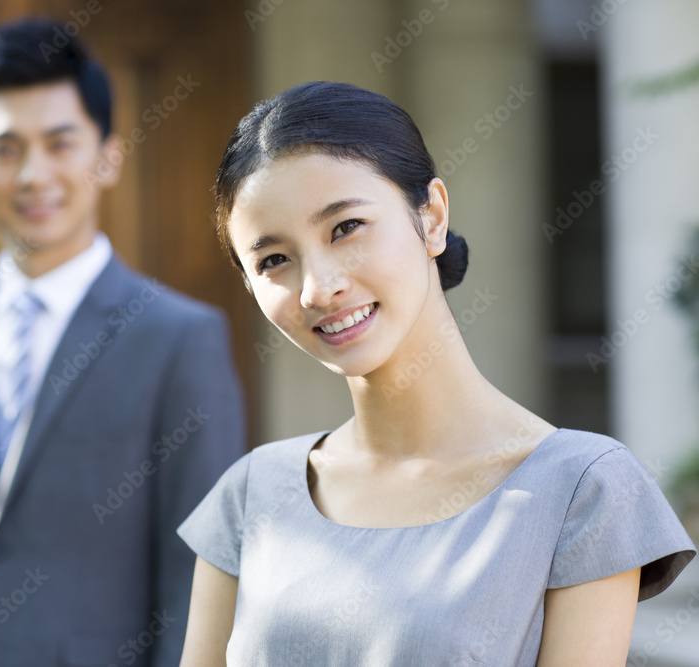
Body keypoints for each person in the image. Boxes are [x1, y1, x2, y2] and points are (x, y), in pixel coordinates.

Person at [177, 81, 696, 666]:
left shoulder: (582, 489)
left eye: (345, 227)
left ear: (432, 217)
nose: (319, 289)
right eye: (274, 260)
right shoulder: (251, 494)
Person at [0, 17, 246, 667]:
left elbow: (199, 578)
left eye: (60, 143)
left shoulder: (181, 339)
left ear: (108, 156)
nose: (35, 173)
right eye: (7, 148)